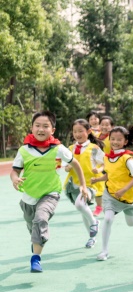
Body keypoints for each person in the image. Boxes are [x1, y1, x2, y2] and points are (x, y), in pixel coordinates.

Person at [10, 111, 90, 273]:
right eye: (37, 125)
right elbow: (15, 171)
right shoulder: (24, 150)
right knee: (31, 223)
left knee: (40, 219)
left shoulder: (58, 149)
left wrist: (83, 185)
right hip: (29, 196)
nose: (41, 129)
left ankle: (36, 258)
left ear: (52, 130)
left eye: (45, 126)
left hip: (51, 193)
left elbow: (75, 164)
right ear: (31, 128)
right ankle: (37, 239)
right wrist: (14, 179)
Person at [90, 125, 133, 260]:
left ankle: (132, 210)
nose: (115, 142)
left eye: (119, 139)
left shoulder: (127, 158)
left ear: (125, 141)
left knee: (131, 223)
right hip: (111, 194)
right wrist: (97, 180)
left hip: (128, 197)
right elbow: (109, 175)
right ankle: (104, 251)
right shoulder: (107, 158)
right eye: (112, 139)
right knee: (107, 219)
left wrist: (124, 190)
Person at [63, 119, 104, 248]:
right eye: (75, 131)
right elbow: (66, 167)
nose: (77, 134)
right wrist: (68, 167)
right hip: (74, 184)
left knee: (80, 204)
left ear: (88, 131)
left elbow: (104, 164)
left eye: (81, 131)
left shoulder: (94, 148)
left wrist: (99, 169)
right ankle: (92, 237)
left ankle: (94, 222)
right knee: (82, 209)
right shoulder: (70, 148)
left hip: (91, 184)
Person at [93, 115, 114, 216]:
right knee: (98, 187)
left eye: (107, 125)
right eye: (102, 124)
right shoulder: (95, 137)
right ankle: (99, 207)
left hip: (111, 165)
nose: (104, 127)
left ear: (112, 126)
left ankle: (111, 205)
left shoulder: (113, 138)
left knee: (110, 187)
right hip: (99, 166)